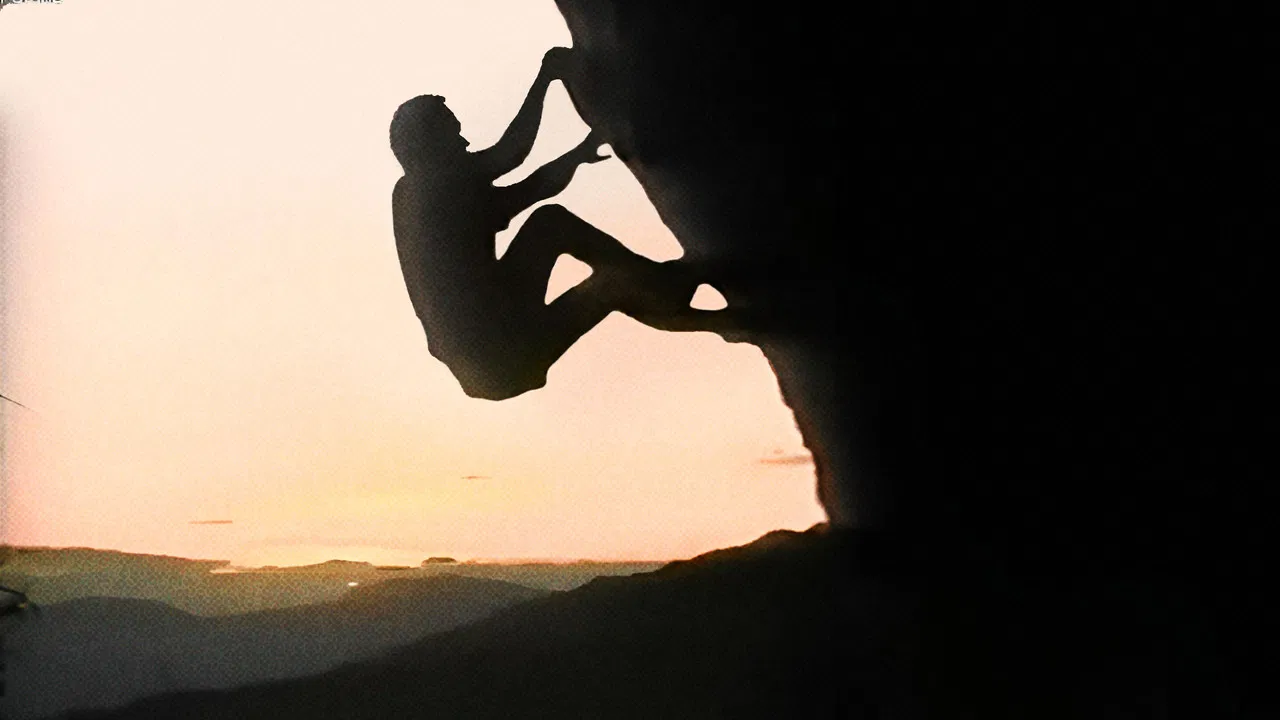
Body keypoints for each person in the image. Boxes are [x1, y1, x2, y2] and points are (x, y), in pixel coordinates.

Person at [391, 48, 715, 400]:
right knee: (600, 274)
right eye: (454, 135)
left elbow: (527, 184)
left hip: (488, 354)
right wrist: (547, 78)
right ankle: (672, 295)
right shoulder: (442, 186)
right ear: (431, 145)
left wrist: (578, 153)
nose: (465, 141)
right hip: (503, 355)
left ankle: (664, 292)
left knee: (552, 226)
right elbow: (513, 156)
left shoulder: (414, 193)